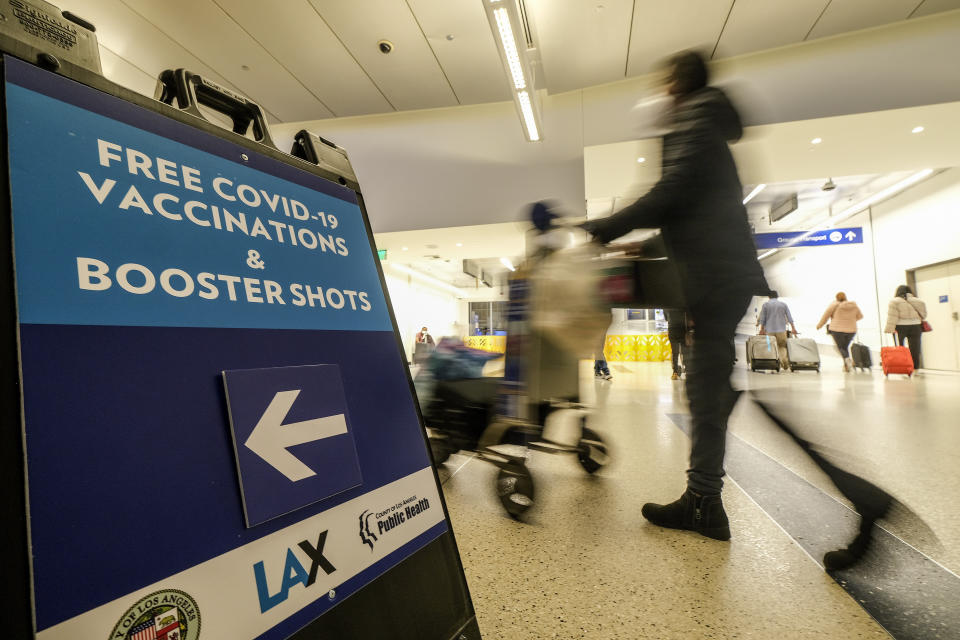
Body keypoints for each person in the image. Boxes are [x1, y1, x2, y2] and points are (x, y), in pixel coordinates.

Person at [581, 50, 769, 541]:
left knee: (706, 388)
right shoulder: (709, 117)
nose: (662, 91)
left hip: (713, 276)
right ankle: (703, 497)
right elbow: (698, 209)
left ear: (677, 82)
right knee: (708, 385)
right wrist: (648, 243)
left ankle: (704, 503)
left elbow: (675, 190)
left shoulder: (695, 115)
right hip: (720, 272)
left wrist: (608, 225)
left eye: (665, 81)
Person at [815, 292, 863, 372]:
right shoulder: (854, 305)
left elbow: (826, 316)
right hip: (851, 330)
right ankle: (846, 365)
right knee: (844, 347)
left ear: (837, 298)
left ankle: (848, 361)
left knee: (841, 347)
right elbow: (860, 316)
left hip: (837, 330)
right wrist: (850, 321)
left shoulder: (834, 305)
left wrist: (819, 325)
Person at [884, 285, 926, 369]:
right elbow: (924, 315)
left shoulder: (894, 302)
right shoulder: (919, 301)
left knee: (900, 348)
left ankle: (903, 367)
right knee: (915, 348)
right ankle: (915, 368)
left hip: (900, 327)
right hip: (916, 326)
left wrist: (889, 329)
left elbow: (892, 317)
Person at [757, 291, 798, 371]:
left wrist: (761, 329)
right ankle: (785, 361)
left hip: (769, 331)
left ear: (769, 297)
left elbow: (762, 318)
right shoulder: (783, 305)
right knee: (782, 346)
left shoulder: (765, 305)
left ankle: (774, 364)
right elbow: (789, 317)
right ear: (777, 297)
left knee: (770, 347)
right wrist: (793, 328)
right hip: (781, 331)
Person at [665, 309, 687, 380]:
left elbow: (666, 318)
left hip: (672, 329)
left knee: (675, 352)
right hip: (682, 329)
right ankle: (687, 370)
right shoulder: (681, 304)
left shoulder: (666, 306)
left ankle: (675, 372)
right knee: (684, 351)